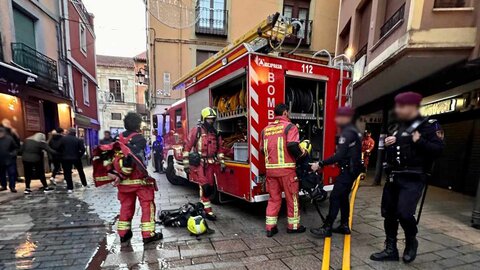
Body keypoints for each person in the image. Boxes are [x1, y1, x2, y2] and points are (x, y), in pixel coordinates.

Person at [370, 92, 444, 263]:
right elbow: (394, 154)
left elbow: (439, 150)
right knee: (388, 213)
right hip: (394, 176)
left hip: (413, 177)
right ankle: (391, 250)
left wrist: (419, 141)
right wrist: (389, 146)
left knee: (404, 213)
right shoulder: (397, 127)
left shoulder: (429, 125)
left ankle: (411, 241)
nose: (398, 109)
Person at [310, 106, 362, 238]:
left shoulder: (347, 133)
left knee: (334, 197)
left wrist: (320, 164)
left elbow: (339, 155)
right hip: (351, 171)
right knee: (343, 197)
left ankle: (327, 227)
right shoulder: (353, 131)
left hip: (347, 172)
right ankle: (344, 225)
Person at [115, 112, 162, 244]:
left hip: (124, 181)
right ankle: (148, 235)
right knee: (147, 206)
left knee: (126, 206)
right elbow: (140, 159)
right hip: (139, 180)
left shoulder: (118, 138)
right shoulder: (140, 139)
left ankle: (124, 234)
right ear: (137, 125)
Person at [260, 104, 306, 237]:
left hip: (271, 172)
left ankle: (270, 227)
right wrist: (302, 155)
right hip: (287, 171)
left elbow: (262, 150)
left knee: (274, 199)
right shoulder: (290, 127)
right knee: (292, 198)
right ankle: (293, 226)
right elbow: (292, 145)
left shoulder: (265, 130)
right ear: (285, 112)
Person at [183, 107, 225, 221]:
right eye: (208, 119)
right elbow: (187, 147)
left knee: (210, 188)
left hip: (212, 164)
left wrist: (222, 162)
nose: (211, 121)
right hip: (200, 164)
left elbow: (220, 149)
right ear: (203, 119)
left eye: (212, 119)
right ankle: (208, 211)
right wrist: (186, 165)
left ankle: (202, 207)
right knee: (205, 187)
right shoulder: (196, 131)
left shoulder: (215, 133)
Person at [59, 128, 88, 192]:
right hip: (76, 158)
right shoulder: (78, 140)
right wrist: (79, 155)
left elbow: (59, 148)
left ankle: (70, 188)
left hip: (65, 158)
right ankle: (84, 184)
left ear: (68, 132)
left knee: (67, 173)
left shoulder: (63, 139)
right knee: (80, 171)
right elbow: (83, 150)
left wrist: (62, 155)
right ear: (75, 133)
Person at [0, 127, 18, 192]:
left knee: (11, 174)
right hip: (0, 160)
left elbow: (15, 148)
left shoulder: (9, 139)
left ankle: (12, 187)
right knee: (1, 174)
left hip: (10, 160)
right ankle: (3, 186)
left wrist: (13, 154)